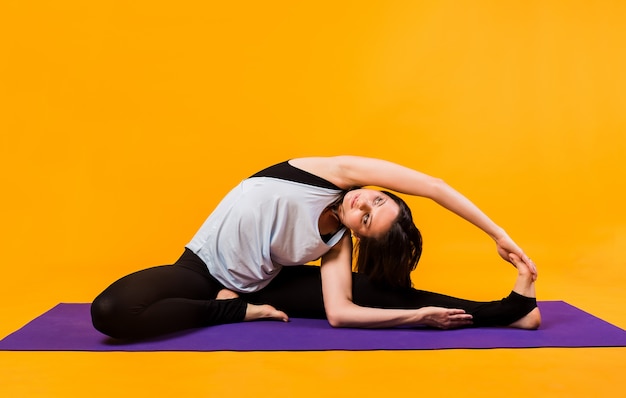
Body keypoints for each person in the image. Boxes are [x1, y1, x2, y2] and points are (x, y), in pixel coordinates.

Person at [91, 156, 541, 340]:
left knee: (383, 294)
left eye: (367, 219)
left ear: (359, 235)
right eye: (377, 199)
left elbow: (340, 313)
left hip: (265, 286)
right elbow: (433, 185)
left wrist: (417, 317)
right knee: (111, 311)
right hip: (200, 272)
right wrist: (497, 233)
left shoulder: (337, 242)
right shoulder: (328, 173)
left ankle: (513, 309)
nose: (364, 203)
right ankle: (233, 309)